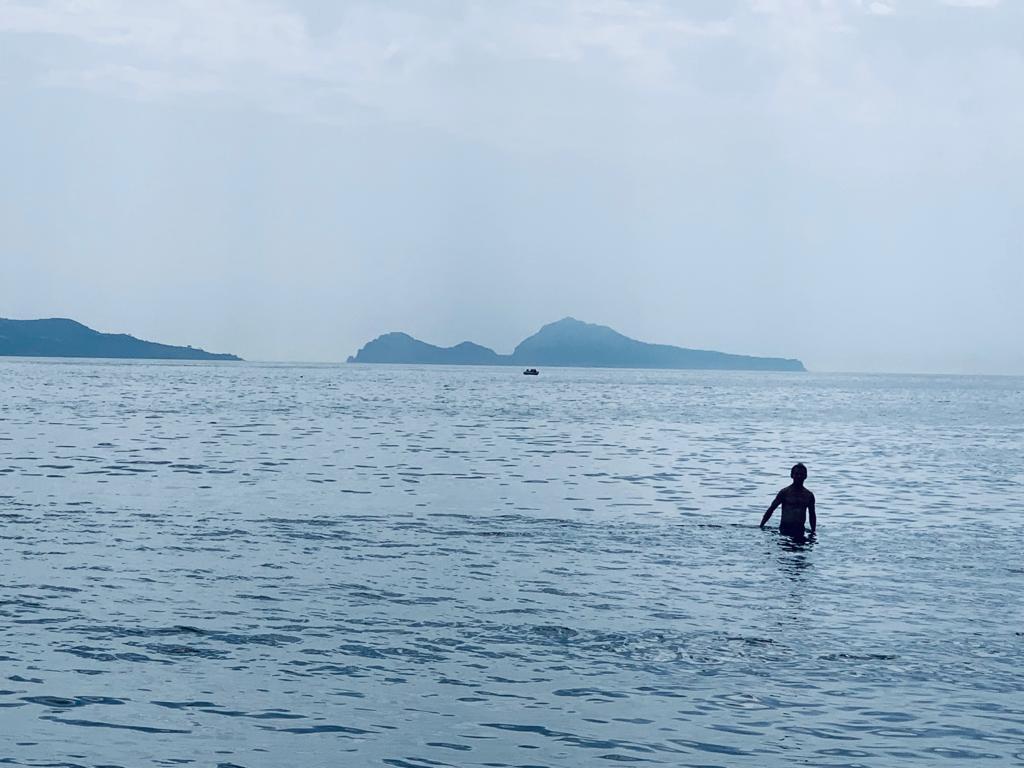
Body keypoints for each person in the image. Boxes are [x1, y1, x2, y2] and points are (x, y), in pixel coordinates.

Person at [760, 463, 816, 537]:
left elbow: (812, 515)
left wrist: (813, 531)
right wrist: (761, 525)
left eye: (801, 474)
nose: (799, 476)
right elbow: (771, 509)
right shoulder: (785, 492)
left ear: (805, 476)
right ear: (792, 475)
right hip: (784, 530)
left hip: (800, 530)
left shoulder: (809, 495)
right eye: (796, 474)